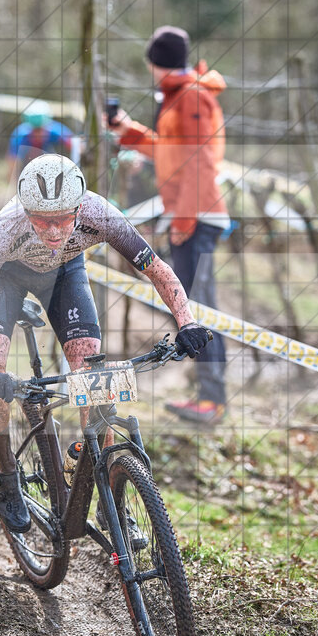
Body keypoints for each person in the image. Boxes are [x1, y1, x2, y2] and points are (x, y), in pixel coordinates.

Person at [0, 153, 210, 533]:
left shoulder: (100, 214)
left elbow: (157, 271)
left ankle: (105, 493)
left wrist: (187, 322)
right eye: (40, 220)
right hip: (6, 279)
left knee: (93, 373)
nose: (53, 232)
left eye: (63, 219)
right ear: (25, 210)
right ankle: (6, 473)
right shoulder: (3, 229)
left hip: (66, 273)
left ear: (79, 207)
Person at [107, 26, 228, 425]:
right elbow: (169, 151)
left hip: (197, 216)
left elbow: (198, 160)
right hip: (191, 214)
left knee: (198, 306)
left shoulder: (191, 97)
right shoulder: (181, 96)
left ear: (155, 63)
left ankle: (211, 400)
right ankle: (205, 393)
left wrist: (185, 217)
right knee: (192, 302)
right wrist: (130, 132)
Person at [6, 99, 75, 177]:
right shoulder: (20, 136)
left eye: (41, 129)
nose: (38, 134)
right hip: (27, 173)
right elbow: (12, 164)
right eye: (35, 130)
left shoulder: (56, 131)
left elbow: (74, 145)